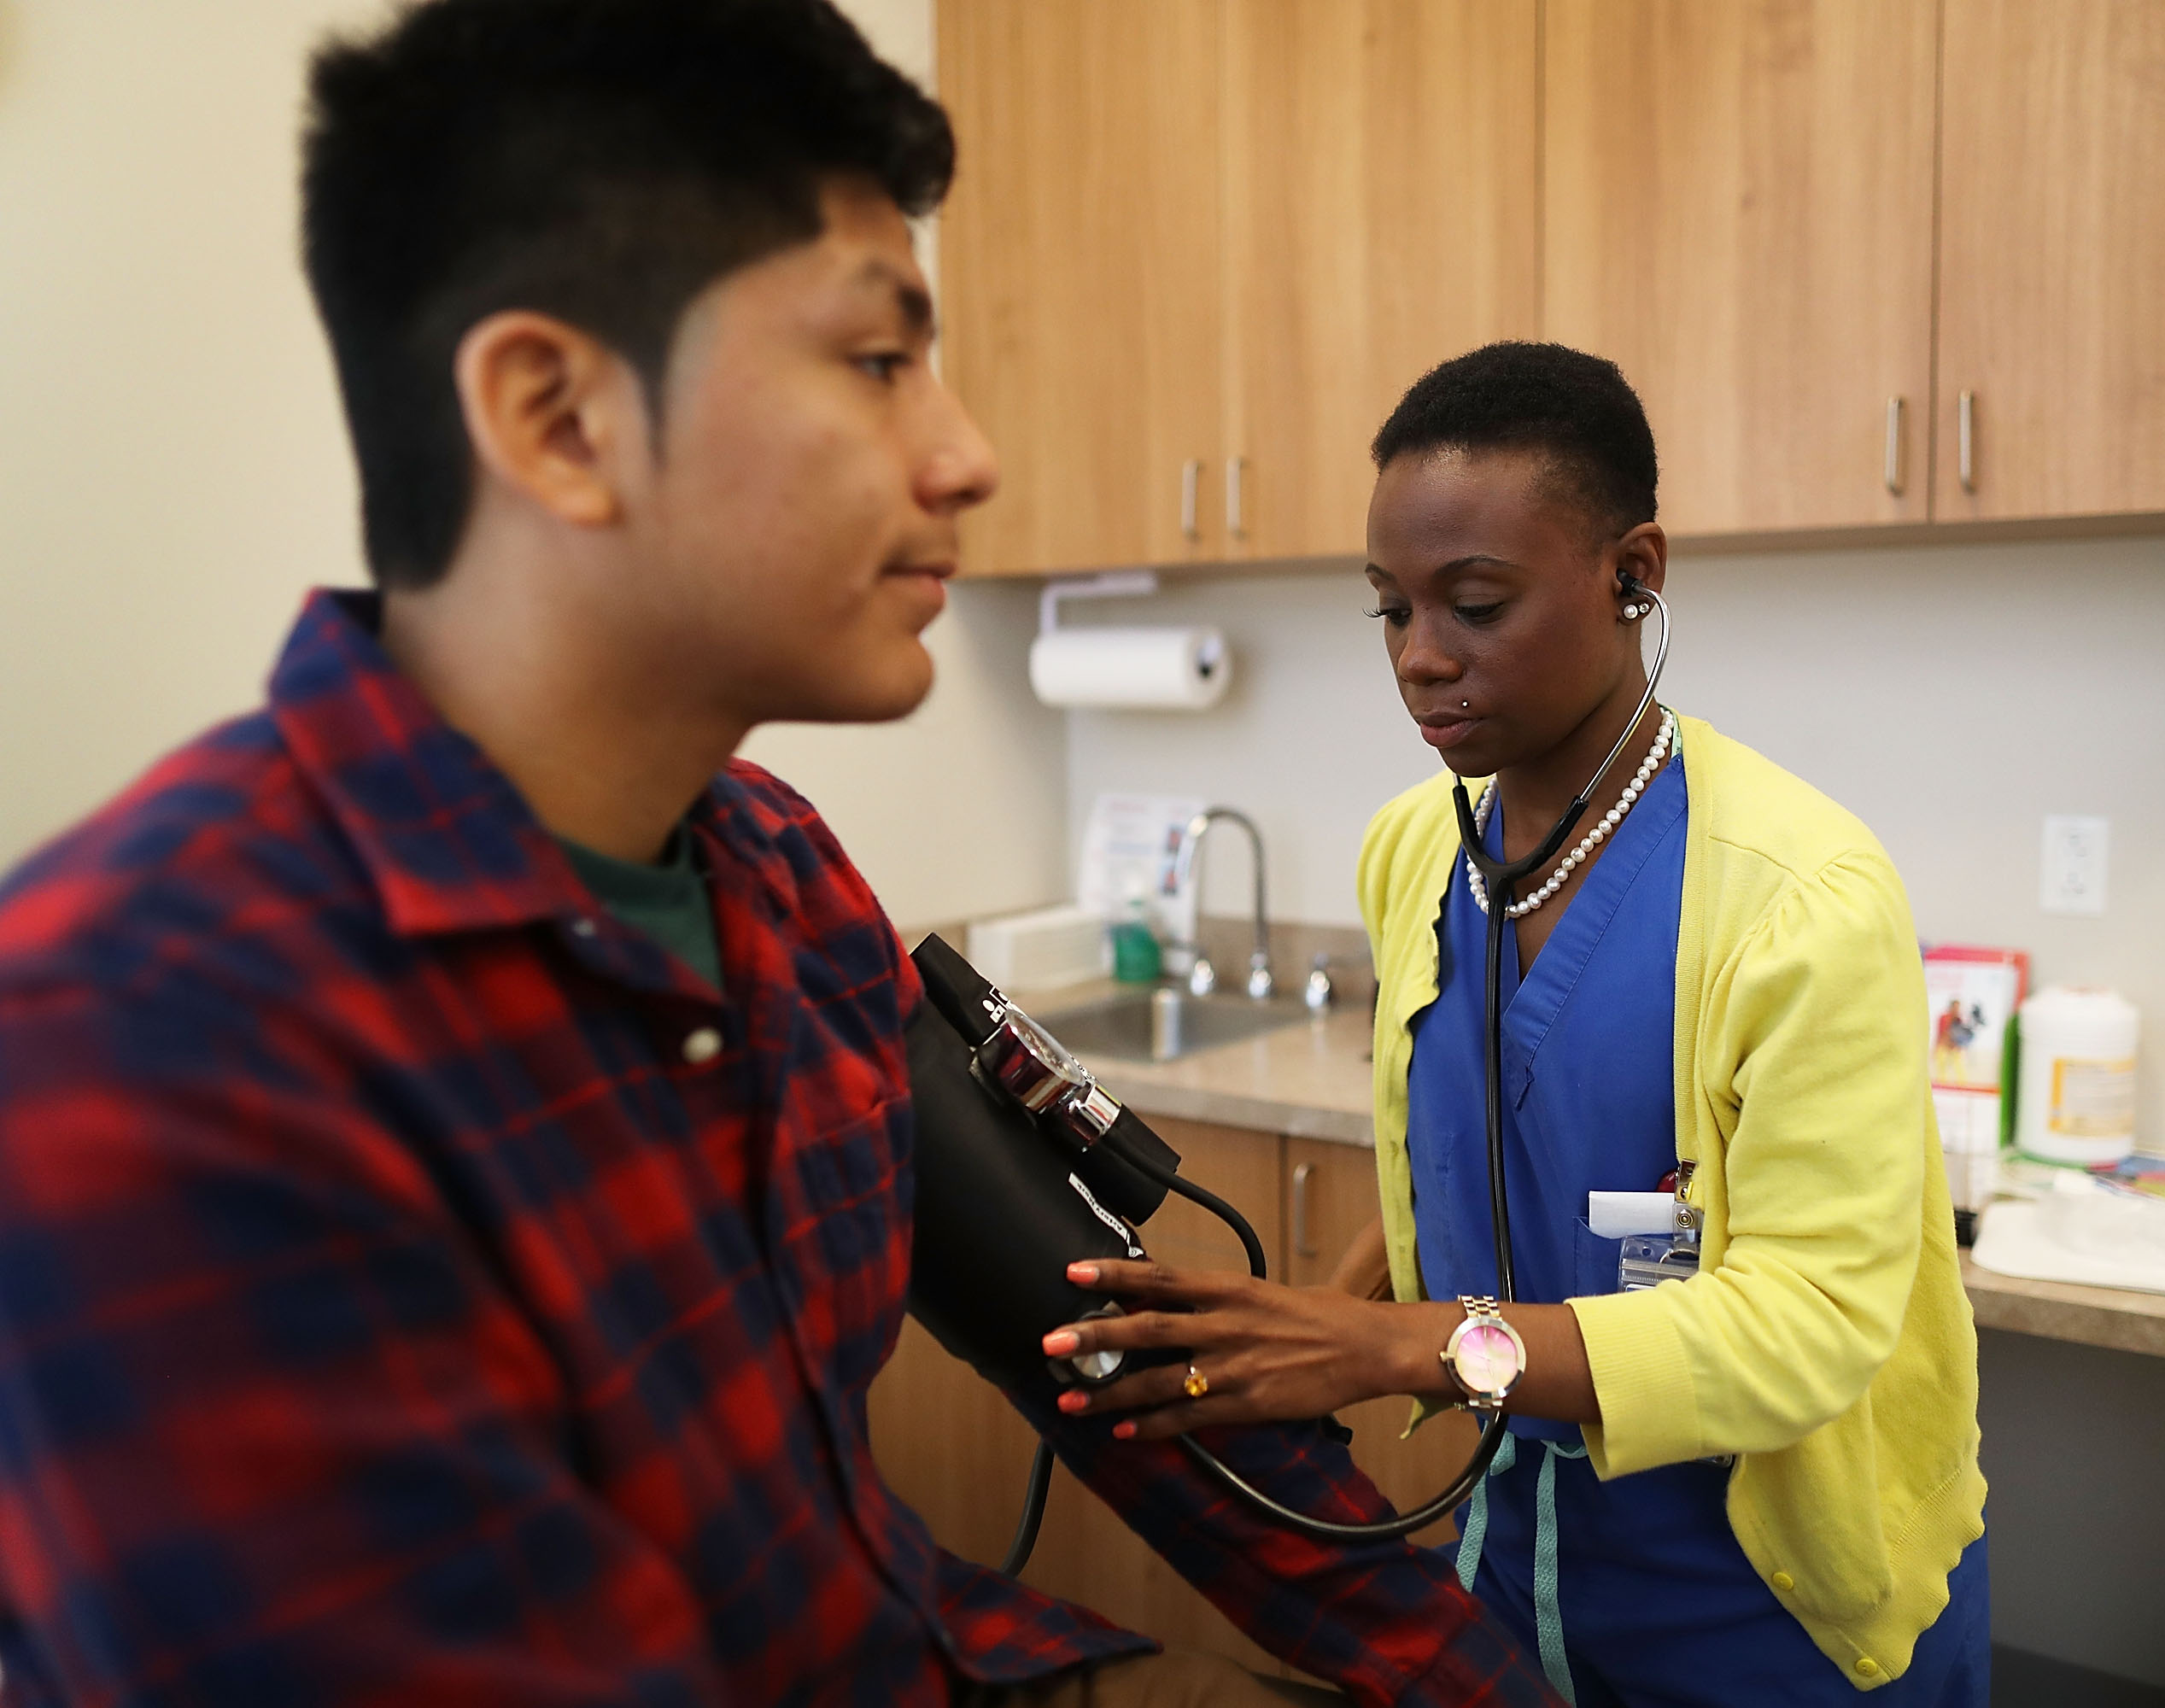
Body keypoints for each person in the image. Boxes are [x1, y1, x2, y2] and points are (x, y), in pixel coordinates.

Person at [0, 7, 1564, 1705]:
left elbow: (1132, 1379)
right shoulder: (136, 1043)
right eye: (880, 359)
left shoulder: (786, 886)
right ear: (557, 416)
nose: (966, 454)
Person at [1044, 344, 1990, 1705]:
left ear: (1634, 572)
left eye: (1476, 603)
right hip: (1516, 1560)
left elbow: (1806, 1331)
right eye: (1390, 611)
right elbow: (1455, 1163)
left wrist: (1394, 1348)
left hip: (1772, 1604)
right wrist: (1320, 1323)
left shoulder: (1803, 900)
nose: (1423, 660)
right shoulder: (1410, 855)